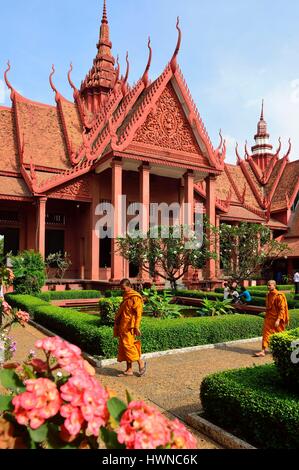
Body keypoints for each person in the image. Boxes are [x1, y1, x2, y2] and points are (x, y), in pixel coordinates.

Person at [113, 279, 147, 377]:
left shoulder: (135, 297)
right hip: (123, 326)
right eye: (121, 288)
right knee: (124, 347)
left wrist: (136, 326)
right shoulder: (126, 296)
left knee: (128, 346)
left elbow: (138, 314)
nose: (123, 290)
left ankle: (141, 362)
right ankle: (129, 369)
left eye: (124, 288)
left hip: (130, 327)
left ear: (129, 286)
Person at [253, 280, 289, 357]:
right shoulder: (268, 295)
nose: (268, 286)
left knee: (279, 335)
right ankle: (263, 351)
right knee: (265, 334)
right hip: (269, 318)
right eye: (267, 285)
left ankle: (282, 350)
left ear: (274, 286)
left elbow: (282, 309)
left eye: (270, 285)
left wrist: (278, 320)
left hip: (277, 319)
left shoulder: (279, 296)